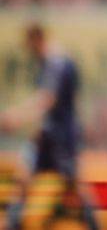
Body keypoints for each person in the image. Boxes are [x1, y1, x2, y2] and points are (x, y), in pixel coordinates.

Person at [0, 24, 99, 230]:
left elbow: (48, 100)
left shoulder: (56, 62)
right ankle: (12, 224)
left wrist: (16, 117)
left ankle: (94, 225)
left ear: (35, 39)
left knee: (75, 183)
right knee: (24, 176)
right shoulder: (53, 62)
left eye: (28, 45)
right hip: (48, 134)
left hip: (60, 136)